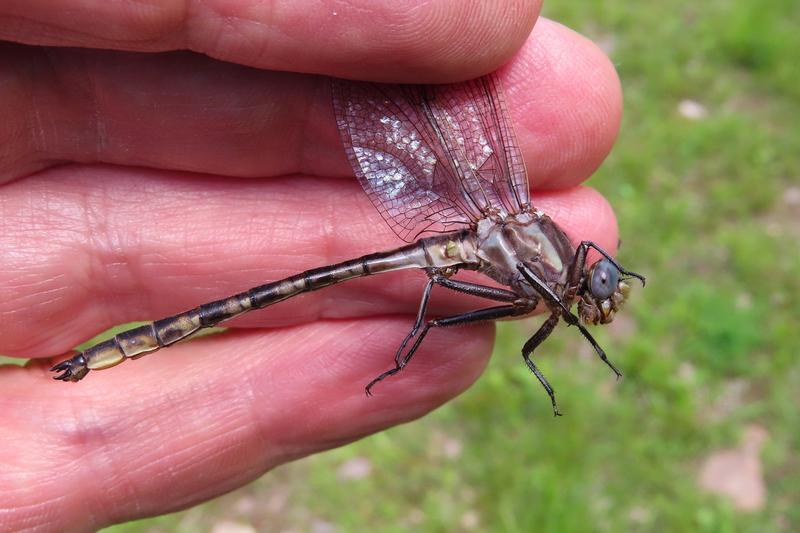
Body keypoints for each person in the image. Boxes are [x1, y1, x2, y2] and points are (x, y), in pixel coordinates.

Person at [0, 1, 623, 529]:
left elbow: (520, 321)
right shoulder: (540, 265)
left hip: (468, 245)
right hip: (465, 239)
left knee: (434, 319)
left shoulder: (544, 279)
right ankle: (111, 353)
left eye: (602, 290)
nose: (600, 297)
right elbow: (527, 311)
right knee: (374, 308)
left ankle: (94, 359)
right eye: (601, 286)